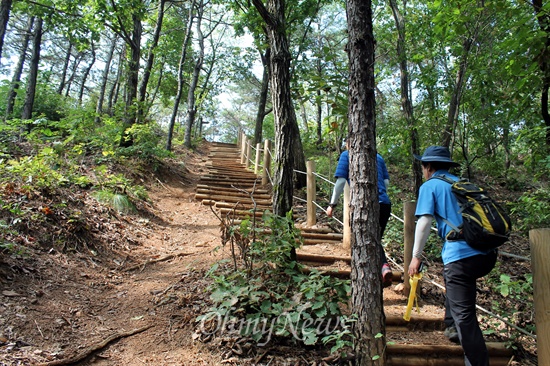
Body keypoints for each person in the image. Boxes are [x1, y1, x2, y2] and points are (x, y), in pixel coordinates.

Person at [408, 146, 498, 366]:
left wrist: (416, 256)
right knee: (457, 292)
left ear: (428, 167)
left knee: (464, 316)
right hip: (486, 254)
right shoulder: (464, 185)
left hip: (460, 256)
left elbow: (424, 222)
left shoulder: (430, 186)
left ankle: (476, 361)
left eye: (423, 166)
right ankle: (451, 326)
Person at [326, 142, 393, 287]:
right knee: (375, 241)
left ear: (349, 143)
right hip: (384, 204)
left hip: (365, 205)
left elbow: (341, 181)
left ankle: (382, 269)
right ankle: (381, 276)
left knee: (369, 243)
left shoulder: (347, 155)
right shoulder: (378, 157)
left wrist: (332, 204)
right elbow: (386, 182)